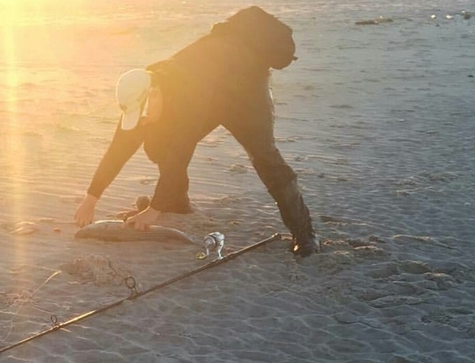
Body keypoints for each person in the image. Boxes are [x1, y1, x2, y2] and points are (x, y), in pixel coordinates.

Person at [74, 6, 320, 257]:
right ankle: (176, 202)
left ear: (155, 94)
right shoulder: (143, 86)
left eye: (145, 113)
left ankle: (305, 232)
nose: (143, 120)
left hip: (245, 96)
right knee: (157, 142)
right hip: (212, 94)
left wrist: (154, 210)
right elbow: (120, 146)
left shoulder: (189, 93)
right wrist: (91, 198)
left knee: (264, 157)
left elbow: (182, 150)